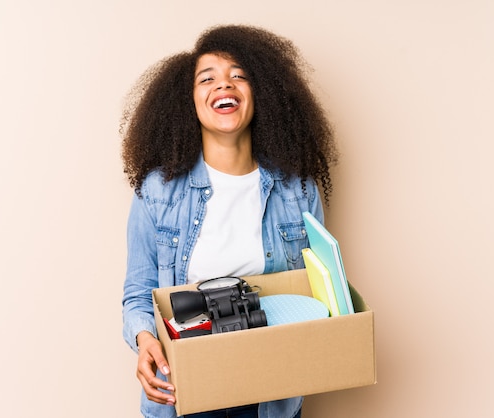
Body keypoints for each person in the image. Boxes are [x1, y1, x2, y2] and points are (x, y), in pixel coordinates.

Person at [121, 24, 338, 418]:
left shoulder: (298, 190)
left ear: (262, 94)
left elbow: (318, 291)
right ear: (188, 101)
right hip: (184, 391)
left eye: (239, 76)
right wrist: (144, 340)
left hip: (271, 395)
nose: (224, 85)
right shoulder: (157, 191)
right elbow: (139, 291)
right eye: (208, 79)